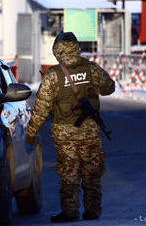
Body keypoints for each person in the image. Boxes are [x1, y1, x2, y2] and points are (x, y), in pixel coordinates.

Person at [26, 32, 115, 223]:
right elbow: (109, 88)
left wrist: (31, 133)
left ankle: (70, 211)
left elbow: (41, 108)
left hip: (64, 133)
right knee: (91, 171)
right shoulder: (91, 69)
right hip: (90, 130)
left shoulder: (53, 75)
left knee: (69, 172)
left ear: (57, 50)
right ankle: (92, 210)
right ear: (76, 47)